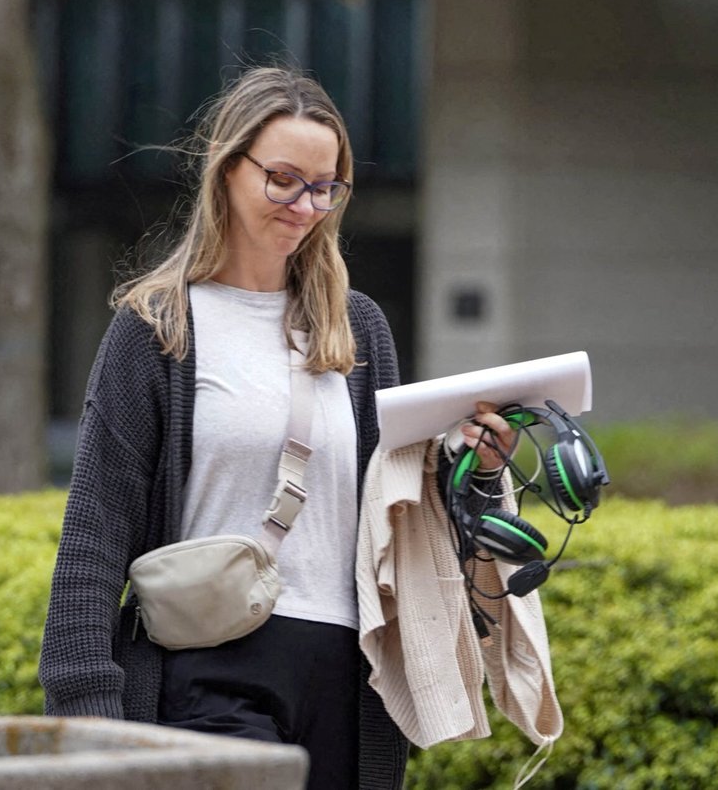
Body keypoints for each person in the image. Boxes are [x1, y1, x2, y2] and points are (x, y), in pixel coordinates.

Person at [38, 68, 516, 790]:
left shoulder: (357, 330)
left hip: (348, 681)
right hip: (208, 671)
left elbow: (396, 517)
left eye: (325, 188)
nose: (305, 206)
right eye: (284, 180)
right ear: (227, 168)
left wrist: (476, 469)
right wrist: (86, 712)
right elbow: (95, 533)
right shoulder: (159, 327)